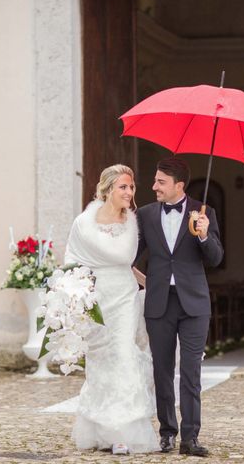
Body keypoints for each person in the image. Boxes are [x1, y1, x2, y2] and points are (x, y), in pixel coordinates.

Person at [65, 164, 159, 455]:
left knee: (124, 355)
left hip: (125, 298)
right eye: (123, 187)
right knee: (100, 362)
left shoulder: (131, 221)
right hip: (98, 298)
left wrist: (152, 285)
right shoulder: (84, 223)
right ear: (107, 190)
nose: (129, 193)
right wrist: (75, 296)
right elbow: (72, 260)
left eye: (131, 187)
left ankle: (124, 430)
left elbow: (127, 265)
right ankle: (98, 428)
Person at [135, 157, 224, 457]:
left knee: (190, 372)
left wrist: (203, 234)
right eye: (156, 180)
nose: (154, 186)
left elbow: (215, 259)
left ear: (179, 185)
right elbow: (129, 256)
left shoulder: (205, 212)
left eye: (161, 182)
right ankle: (167, 433)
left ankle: (190, 438)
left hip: (194, 303)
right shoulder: (145, 215)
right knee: (161, 370)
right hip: (159, 302)